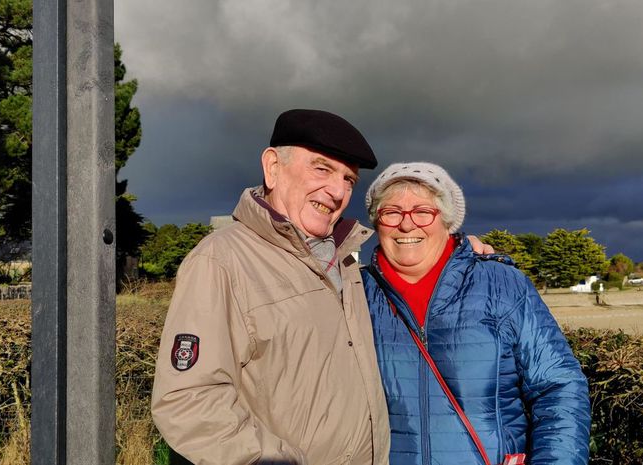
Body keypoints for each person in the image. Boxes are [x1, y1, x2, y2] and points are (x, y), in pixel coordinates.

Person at [151, 110, 493, 464]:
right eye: (321, 168)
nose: (337, 190)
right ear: (272, 167)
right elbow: (188, 400)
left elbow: (415, 269)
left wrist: (460, 254)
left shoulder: (347, 265)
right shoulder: (221, 261)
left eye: (348, 179)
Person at [360, 162, 591, 465]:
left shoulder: (502, 285)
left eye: (423, 212)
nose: (407, 225)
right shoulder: (353, 293)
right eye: (391, 213)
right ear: (376, 223)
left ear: (448, 221)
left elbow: (559, 387)